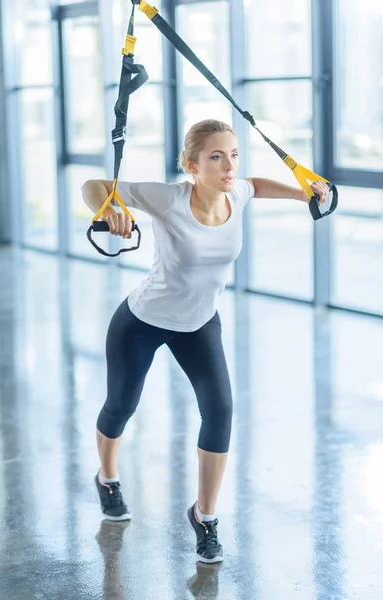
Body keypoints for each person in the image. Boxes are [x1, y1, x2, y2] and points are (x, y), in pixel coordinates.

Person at [81, 119, 329, 563]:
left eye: (233, 154)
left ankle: (205, 516)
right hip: (142, 320)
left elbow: (257, 184)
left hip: (198, 323)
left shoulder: (237, 193)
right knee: (121, 405)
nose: (229, 165)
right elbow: (95, 185)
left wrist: (302, 192)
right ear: (192, 165)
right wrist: (108, 211)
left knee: (220, 410)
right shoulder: (169, 198)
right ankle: (107, 477)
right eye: (216, 157)